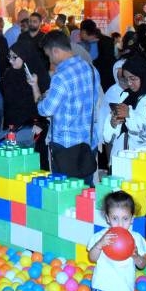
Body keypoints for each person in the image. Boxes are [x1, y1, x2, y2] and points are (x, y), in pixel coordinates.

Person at [33, 31, 100, 184]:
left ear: (55, 51)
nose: (49, 59)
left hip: (66, 147)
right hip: (88, 143)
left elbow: (45, 110)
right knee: (84, 195)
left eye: (48, 55)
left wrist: (41, 99)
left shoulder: (60, 76)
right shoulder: (91, 69)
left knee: (65, 197)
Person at [87, 191, 146, 291]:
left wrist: (136, 256)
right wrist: (99, 245)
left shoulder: (136, 238)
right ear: (107, 218)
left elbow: (143, 265)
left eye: (125, 219)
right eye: (115, 218)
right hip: (104, 289)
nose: (120, 224)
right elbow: (92, 258)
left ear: (132, 219)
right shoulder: (101, 236)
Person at [102, 57, 146, 156]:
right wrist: (113, 123)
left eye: (133, 78)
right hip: (122, 156)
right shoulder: (126, 95)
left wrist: (130, 114)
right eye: (126, 79)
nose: (129, 83)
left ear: (143, 75)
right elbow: (110, 135)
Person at [0, 41, 51, 147]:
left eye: (14, 57)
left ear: (25, 56)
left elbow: (44, 103)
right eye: (9, 56)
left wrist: (40, 123)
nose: (10, 60)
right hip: (12, 123)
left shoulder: (39, 75)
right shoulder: (9, 74)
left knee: (31, 158)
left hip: (32, 126)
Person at [80, 19, 118, 92]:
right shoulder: (85, 44)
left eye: (80, 32)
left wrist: (91, 63)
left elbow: (106, 60)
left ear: (84, 32)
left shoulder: (105, 42)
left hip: (104, 82)